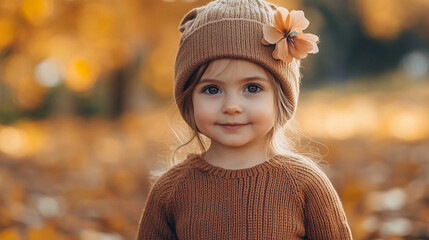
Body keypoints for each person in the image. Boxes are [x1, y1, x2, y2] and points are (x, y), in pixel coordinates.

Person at [137, 0, 353, 239]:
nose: (232, 106)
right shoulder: (171, 191)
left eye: (251, 88)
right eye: (212, 90)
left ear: (280, 97)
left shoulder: (305, 183)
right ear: (189, 99)